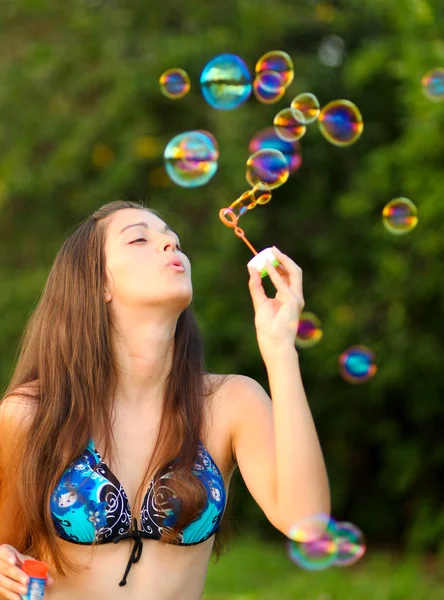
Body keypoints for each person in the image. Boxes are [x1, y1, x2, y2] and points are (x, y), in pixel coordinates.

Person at [0, 200, 330, 600]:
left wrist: (280, 350)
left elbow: (307, 523)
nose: (170, 245)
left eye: (173, 239)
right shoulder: (33, 415)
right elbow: (7, 550)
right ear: (98, 284)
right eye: (140, 238)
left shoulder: (228, 403)